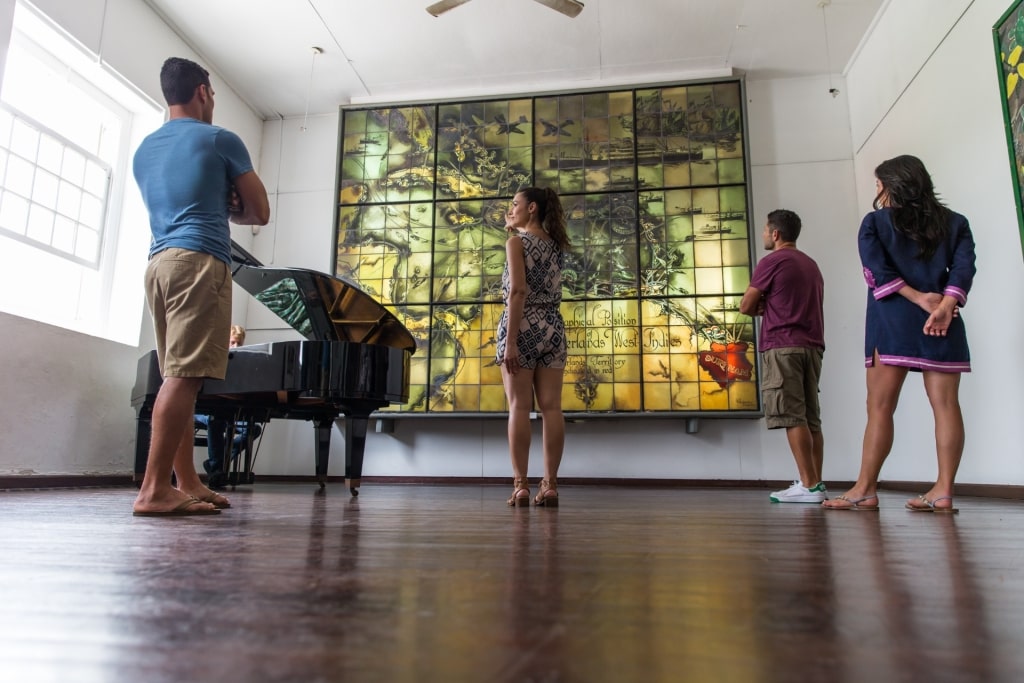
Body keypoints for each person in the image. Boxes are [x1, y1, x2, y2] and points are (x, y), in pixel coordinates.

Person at [131, 57, 270, 516]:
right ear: (204, 92)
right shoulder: (219, 139)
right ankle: (154, 489)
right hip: (198, 261)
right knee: (184, 378)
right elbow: (260, 212)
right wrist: (231, 205)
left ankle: (187, 482)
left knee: (179, 378)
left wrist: (219, 197)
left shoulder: (144, 150)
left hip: (159, 264)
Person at [823, 154, 975, 512]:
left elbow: (876, 271)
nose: (877, 191)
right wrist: (945, 304)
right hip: (942, 321)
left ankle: (865, 489)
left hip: (891, 321)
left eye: (879, 184)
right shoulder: (956, 222)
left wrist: (918, 298)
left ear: (892, 186)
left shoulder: (875, 223)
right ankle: (943, 490)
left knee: (879, 407)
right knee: (946, 405)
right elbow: (964, 269)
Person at [739, 209, 827, 503]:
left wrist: (761, 303)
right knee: (811, 419)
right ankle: (815, 483)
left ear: (775, 234)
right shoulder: (810, 264)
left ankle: (809, 486)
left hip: (782, 346)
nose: (764, 234)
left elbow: (746, 305)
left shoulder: (772, 261)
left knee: (791, 416)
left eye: (766, 230)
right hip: (812, 347)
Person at [497, 187, 570, 507]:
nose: (510, 209)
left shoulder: (515, 243)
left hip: (522, 325)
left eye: (515, 204)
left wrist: (511, 341)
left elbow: (517, 291)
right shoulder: (556, 244)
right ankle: (550, 485)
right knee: (552, 408)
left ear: (532, 208)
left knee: (519, 408)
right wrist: (515, 230)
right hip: (552, 327)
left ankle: (521, 486)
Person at [195, 325, 262, 489]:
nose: (235, 347)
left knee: (253, 429)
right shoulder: (211, 357)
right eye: (232, 342)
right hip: (200, 408)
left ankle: (217, 462)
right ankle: (217, 470)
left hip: (226, 410)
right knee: (215, 419)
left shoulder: (240, 364)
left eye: (239, 344)